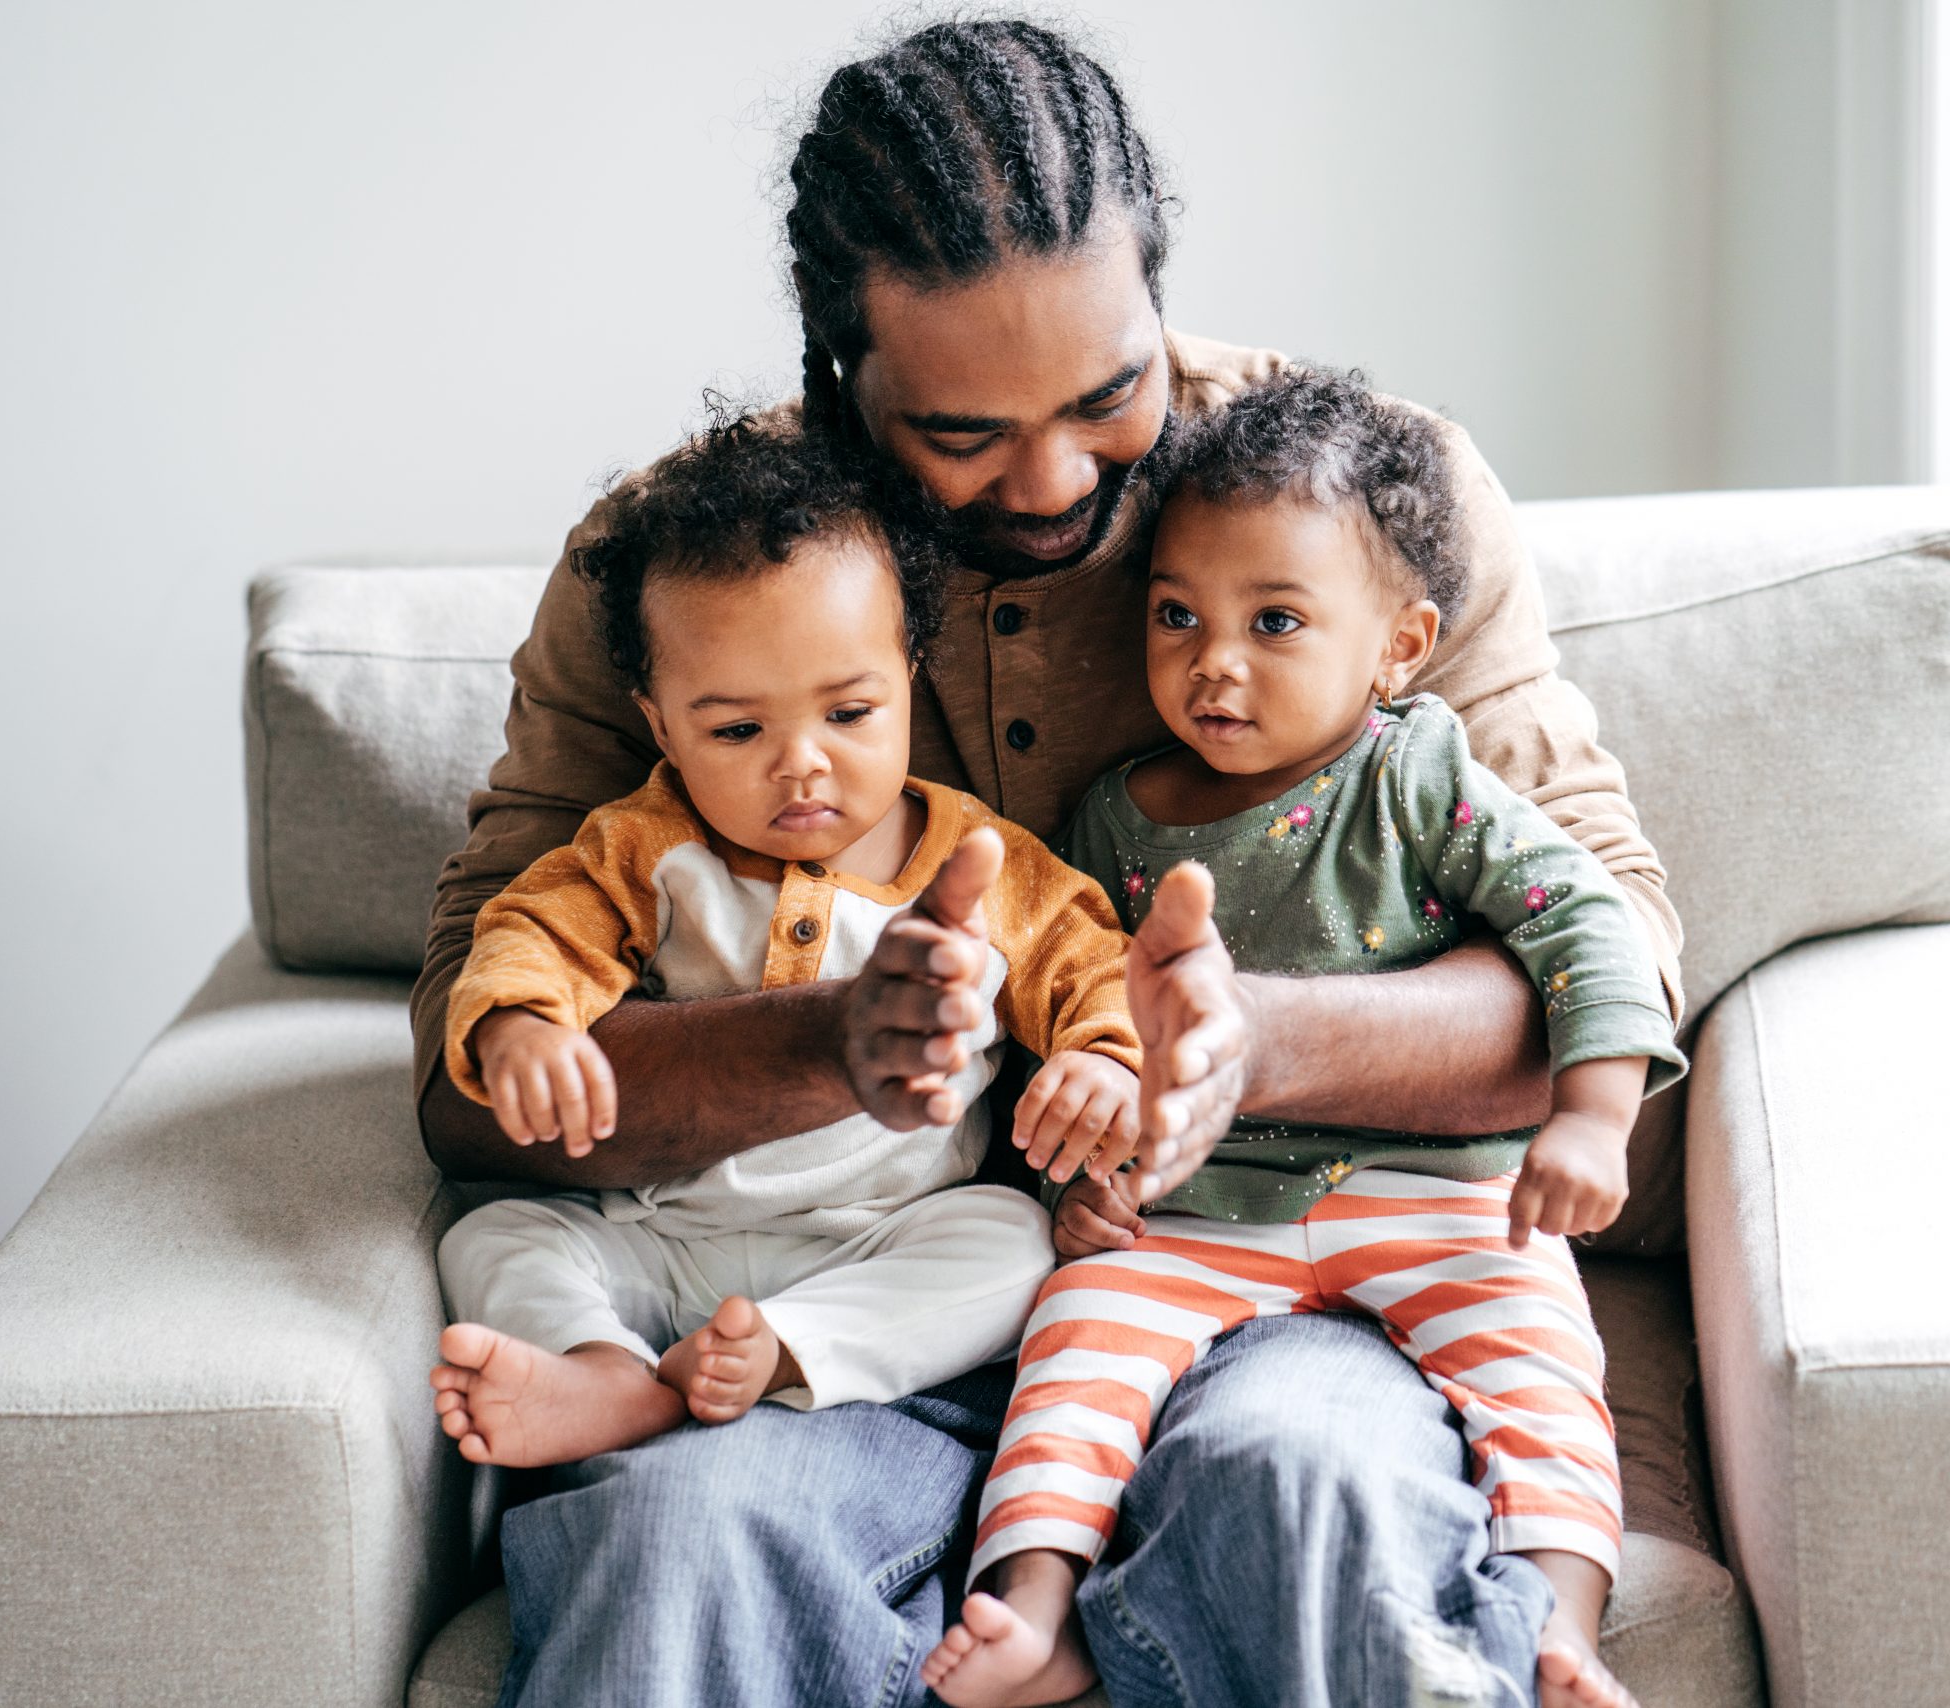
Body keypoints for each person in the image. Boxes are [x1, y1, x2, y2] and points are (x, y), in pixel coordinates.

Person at [413, 19, 1685, 1708]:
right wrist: (822, 1042)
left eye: (1111, 396)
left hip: (1257, 1271)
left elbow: (1615, 946)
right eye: (962, 434)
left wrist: (1238, 1041)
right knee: (677, 1544)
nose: (1058, 475)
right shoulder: (687, 573)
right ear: (838, 376)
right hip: (817, 1304)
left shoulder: (1354, 510)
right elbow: (460, 1075)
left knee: (1310, 1492)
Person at [921, 370, 1685, 1708]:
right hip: (1201, 1210)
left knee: (1538, 1366)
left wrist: (1591, 1114)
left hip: (1432, 1193)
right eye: (1177, 616)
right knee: (1077, 1346)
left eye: (1276, 622)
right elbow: (1080, 1014)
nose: (1213, 665)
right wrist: (1080, 1171)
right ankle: (1035, 1610)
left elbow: (1588, 923)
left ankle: (1555, 1632)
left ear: (1396, 645)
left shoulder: (1420, 773)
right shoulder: (1116, 817)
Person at [426, 410, 1150, 1464]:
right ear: (661, 721)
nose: (800, 763)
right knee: (492, 1235)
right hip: (665, 1235)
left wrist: (1101, 1059)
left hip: (886, 1235)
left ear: (910, 673)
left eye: (849, 713)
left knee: (1010, 1240)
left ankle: (791, 1351)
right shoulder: (641, 847)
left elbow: (1094, 963)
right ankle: (605, 1373)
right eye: (735, 730)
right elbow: (532, 928)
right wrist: (523, 1022)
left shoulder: (979, 858)